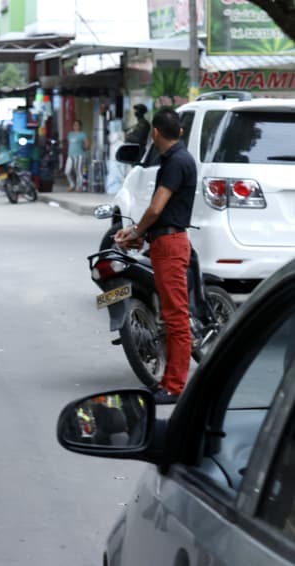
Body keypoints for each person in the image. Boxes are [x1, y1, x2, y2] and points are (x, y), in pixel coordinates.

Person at [115, 109, 196, 405]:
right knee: (171, 314)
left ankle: (174, 386)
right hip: (164, 241)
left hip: (171, 244)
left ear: (156, 133)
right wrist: (139, 236)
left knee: (176, 317)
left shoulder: (176, 162)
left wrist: (136, 229)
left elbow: (156, 209)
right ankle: (168, 381)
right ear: (181, 132)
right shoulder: (177, 158)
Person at [64, 119, 89, 192]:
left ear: (80, 126)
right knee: (67, 171)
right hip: (70, 155)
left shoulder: (82, 134)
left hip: (79, 155)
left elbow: (87, 144)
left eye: (77, 125)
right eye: (74, 125)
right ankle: (72, 184)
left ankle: (79, 186)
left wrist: (84, 148)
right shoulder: (70, 134)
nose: (75, 126)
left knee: (78, 171)